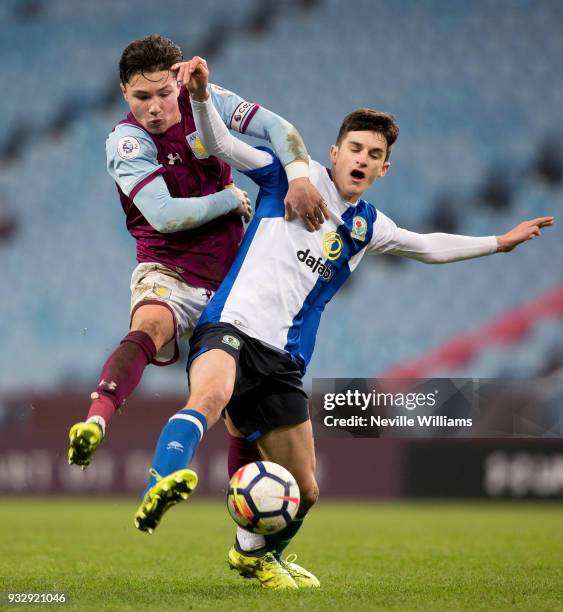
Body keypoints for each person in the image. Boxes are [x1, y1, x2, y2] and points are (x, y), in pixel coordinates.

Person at [133, 57, 554, 589]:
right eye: (355, 148)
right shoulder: (290, 176)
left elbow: (428, 246)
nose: (362, 158)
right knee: (208, 399)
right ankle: (162, 480)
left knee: (305, 490)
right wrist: (197, 96)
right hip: (230, 326)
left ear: (384, 169)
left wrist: (500, 242)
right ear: (335, 153)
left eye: (374, 155)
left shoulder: (367, 226)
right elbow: (222, 145)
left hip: (283, 361)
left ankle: (255, 555)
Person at [67, 36, 328, 469]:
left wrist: (299, 177)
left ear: (178, 81)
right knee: (151, 324)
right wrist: (231, 199)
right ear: (123, 92)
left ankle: (244, 522)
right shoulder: (127, 142)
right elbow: (165, 216)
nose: (154, 107)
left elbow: (278, 129)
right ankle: (96, 420)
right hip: (169, 266)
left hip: (230, 275)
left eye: (163, 94)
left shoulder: (207, 100)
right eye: (141, 97)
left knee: (231, 397)